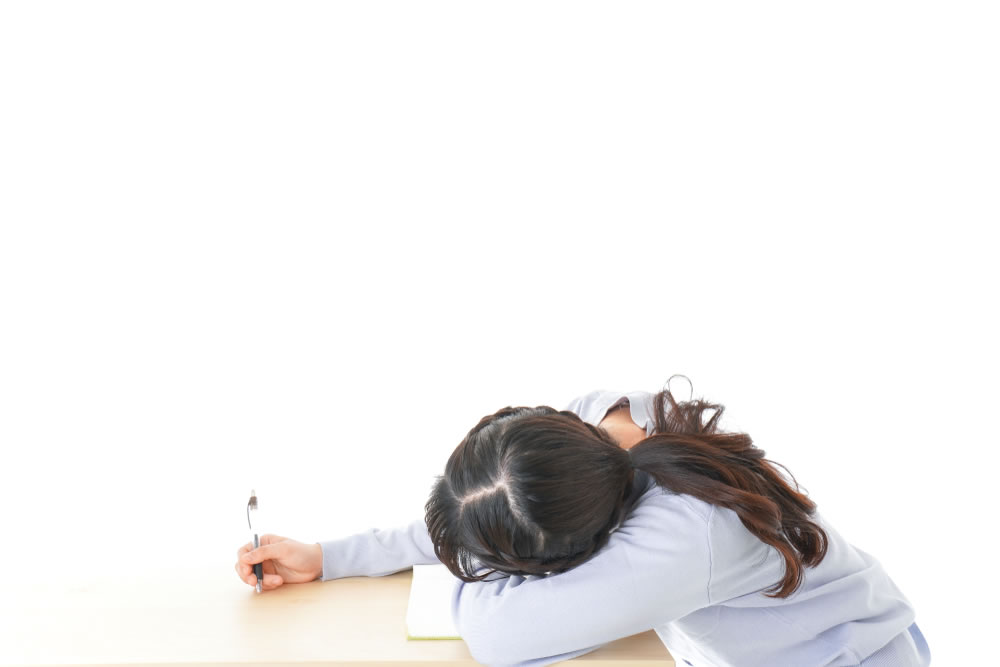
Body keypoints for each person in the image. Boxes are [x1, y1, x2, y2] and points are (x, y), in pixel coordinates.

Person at [235, 380, 931, 667]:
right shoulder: (596, 427)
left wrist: (477, 567)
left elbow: (496, 634)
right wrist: (331, 554)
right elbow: (494, 505)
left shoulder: (683, 539)